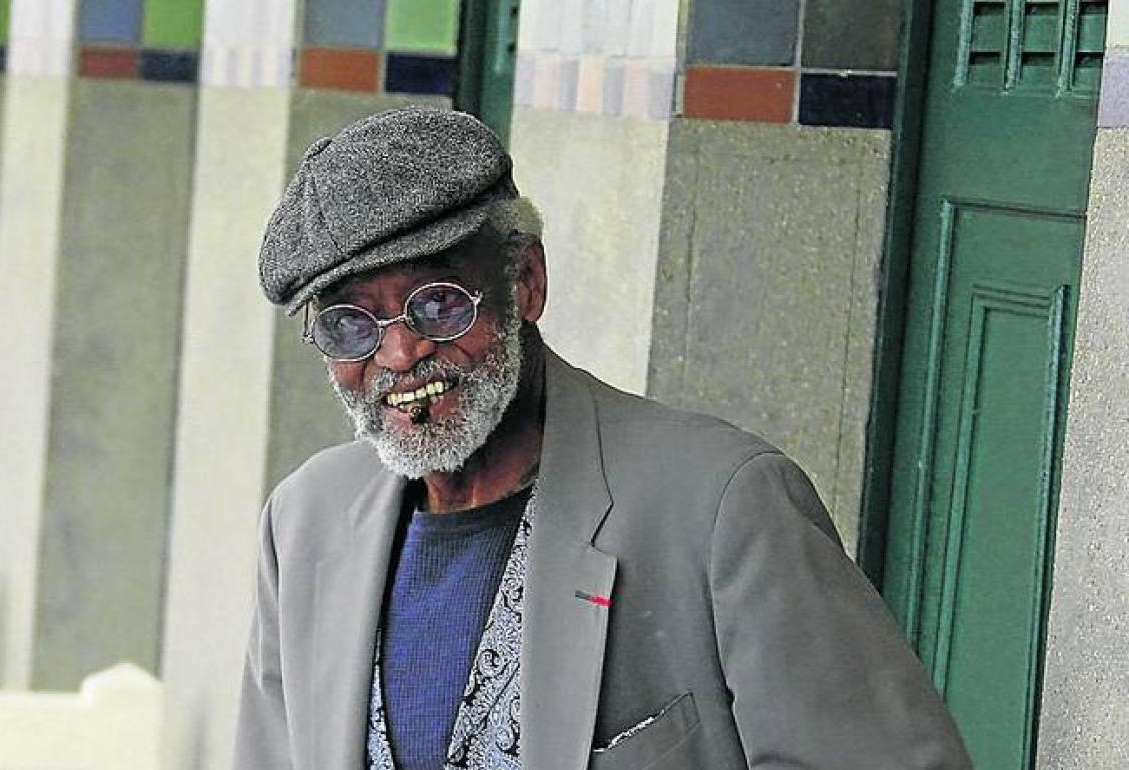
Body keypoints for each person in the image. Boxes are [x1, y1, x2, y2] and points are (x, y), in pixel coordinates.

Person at [233, 106, 973, 770]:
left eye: (439, 304)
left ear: (525, 282)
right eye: (350, 325)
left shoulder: (722, 505)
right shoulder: (303, 523)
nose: (399, 357)